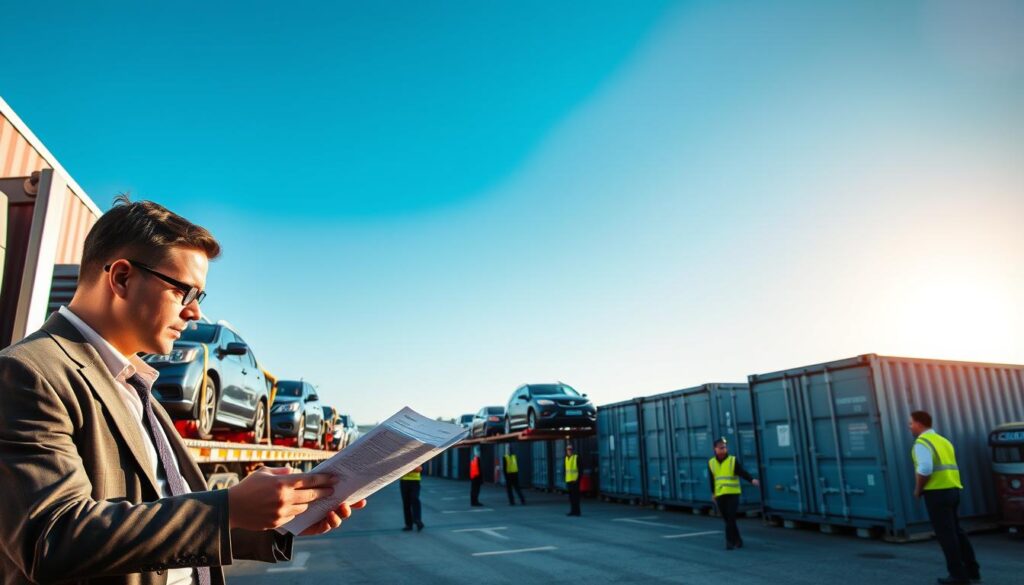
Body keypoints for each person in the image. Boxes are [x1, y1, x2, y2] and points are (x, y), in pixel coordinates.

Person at [0, 197, 366, 584]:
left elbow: (159, 519)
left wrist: (278, 521)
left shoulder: (137, 387)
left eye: (199, 298)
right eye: (184, 292)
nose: (193, 314)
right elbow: (51, 538)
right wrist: (227, 509)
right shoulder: (28, 372)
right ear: (122, 277)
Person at [910, 410, 980, 585]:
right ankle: (973, 571)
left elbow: (925, 469)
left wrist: (918, 490)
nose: (910, 427)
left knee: (946, 536)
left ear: (919, 423)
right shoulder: (944, 441)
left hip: (937, 494)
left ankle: (958, 576)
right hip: (953, 490)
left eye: (911, 423)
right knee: (957, 532)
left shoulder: (922, 443)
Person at [708, 437, 759, 550]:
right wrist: (713, 494)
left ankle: (729, 542)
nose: (723, 449)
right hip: (720, 495)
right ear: (715, 449)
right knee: (727, 519)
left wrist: (752, 480)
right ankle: (738, 540)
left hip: (733, 494)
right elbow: (712, 480)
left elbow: (741, 472)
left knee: (731, 517)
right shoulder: (711, 462)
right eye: (721, 448)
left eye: (725, 447)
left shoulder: (732, 460)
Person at [400, 465, 424, 532]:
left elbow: (419, 469)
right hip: (404, 481)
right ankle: (408, 525)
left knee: (415, 499)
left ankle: (417, 520)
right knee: (406, 503)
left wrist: (407, 468)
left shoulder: (415, 457)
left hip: (415, 481)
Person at [565, 443, 581, 516]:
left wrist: (578, 479)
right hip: (568, 480)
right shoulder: (566, 458)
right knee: (571, 498)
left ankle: (577, 511)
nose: (569, 451)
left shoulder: (576, 457)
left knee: (575, 498)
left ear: (573, 450)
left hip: (575, 481)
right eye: (568, 449)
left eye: (570, 449)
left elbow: (580, 469)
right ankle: (572, 511)